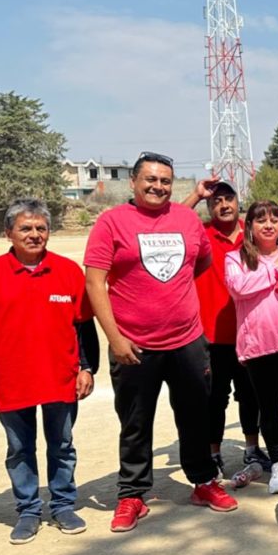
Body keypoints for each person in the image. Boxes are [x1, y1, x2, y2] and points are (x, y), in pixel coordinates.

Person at [84, 152, 237, 533]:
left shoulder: (187, 219)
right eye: (150, 179)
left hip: (187, 340)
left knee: (195, 415)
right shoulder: (111, 222)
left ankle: (203, 481)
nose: (158, 186)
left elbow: (199, 262)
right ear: (133, 182)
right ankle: (133, 493)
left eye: (165, 181)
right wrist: (115, 338)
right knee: (135, 422)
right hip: (134, 344)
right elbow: (94, 282)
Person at [0, 199, 96, 543]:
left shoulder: (67, 271)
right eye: (25, 228)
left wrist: (87, 367)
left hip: (60, 379)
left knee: (62, 445)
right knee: (20, 449)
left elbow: (83, 327)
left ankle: (63, 505)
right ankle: (29, 510)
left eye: (41, 228)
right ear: (8, 233)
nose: (34, 234)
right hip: (11, 381)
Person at [182, 178, 267, 473]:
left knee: (250, 395)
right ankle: (213, 453)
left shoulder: (253, 234)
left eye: (228, 198)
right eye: (216, 201)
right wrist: (195, 195)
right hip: (211, 335)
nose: (223, 205)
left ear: (238, 201)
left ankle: (252, 449)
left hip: (249, 332)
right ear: (208, 206)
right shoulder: (200, 233)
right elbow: (171, 222)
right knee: (214, 398)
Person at [223, 201, 278, 495]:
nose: (269, 225)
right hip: (259, 346)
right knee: (269, 408)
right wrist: (275, 270)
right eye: (261, 220)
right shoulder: (235, 259)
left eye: (274, 220)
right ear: (249, 227)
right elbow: (239, 288)